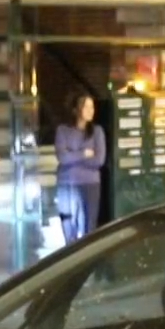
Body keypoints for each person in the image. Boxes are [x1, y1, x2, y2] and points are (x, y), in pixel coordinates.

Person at [54, 93, 107, 245]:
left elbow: (99, 160)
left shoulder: (97, 132)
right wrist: (84, 153)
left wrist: (72, 156)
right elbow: (62, 157)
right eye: (86, 107)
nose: (91, 110)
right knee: (67, 224)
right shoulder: (62, 130)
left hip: (90, 184)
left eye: (92, 107)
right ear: (76, 110)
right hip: (66, 184)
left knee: (88, 227)